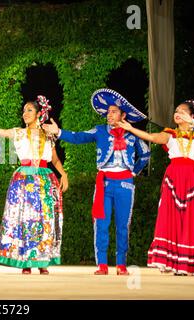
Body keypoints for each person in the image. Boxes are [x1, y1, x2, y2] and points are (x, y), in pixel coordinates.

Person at [43, 88, 150, 275]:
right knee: (101, 223)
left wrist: (134, 171)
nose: (109, 115)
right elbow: (78, 137)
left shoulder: (132, 134)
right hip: (104, 182)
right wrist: (58, 132)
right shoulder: (100, 130)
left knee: (123, 224)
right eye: (108, 112)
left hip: (125, 183)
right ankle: (101, 264)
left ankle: (121, 264)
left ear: (123, 114)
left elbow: (146, 153)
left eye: (114, 111)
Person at [0, 95, 68, 275]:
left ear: (39, 113)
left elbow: (55, 159)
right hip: (24, 179)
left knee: (45, 220)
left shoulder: (48, 134)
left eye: (29, 110)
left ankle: (42, 261)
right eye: (24, 110)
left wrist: (63, 173)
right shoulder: (18, 132)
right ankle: (24, 261)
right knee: (25, 219)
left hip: (45, 179)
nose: (25, 113)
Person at [120, 100, 194, 275]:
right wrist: (131, 129)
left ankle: (193, 262)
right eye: (176, 110)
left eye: (183, 111)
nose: (178, 113)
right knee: (172, 217)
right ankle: (171, 262)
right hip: (175, 178)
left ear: (192, 116)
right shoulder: (170, 134)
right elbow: (152, 137)